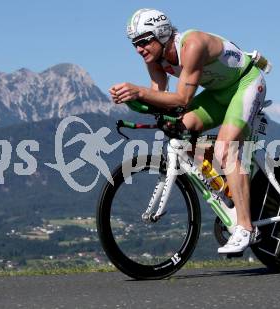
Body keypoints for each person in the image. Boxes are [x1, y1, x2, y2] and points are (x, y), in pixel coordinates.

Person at [109, 8, 268, 254]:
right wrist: (131, 100)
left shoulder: (191, 45)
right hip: (218, 94)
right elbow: (160, 99)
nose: (139, 49)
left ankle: (246, 227)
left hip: (245, 84)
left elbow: (182, 98)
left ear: (161, 34)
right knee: (180, 127)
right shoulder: (155, 60)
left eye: (143, 41)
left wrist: (139, 92)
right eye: (135, 44)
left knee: (226, 148)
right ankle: (228, 188)